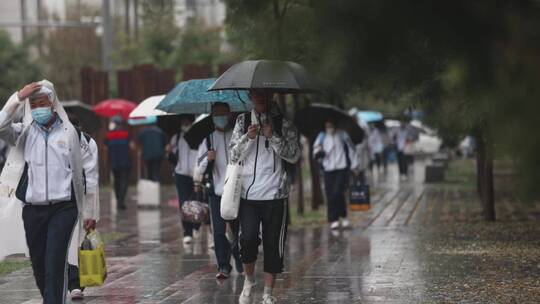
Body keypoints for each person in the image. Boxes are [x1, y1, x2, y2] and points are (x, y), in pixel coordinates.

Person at [0, 80, 96, 304]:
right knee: (40, 266)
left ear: (52, 104)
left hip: (64, 208)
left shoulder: (71, 135)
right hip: (33, 211)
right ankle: (51, 298)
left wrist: (91, 211)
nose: (38, 108)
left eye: (42, 103)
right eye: (33, 104)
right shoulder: (24, 134)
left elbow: (89, 175)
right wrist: (18, 97)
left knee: (55, 262)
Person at [230, 89, 301, 304]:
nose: (260, 98)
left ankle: (268, 293)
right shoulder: (242, 121)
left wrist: (273, 136)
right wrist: (248, 138)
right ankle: (249, 280)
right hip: (248, 196)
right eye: (255, 94)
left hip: (275, 195)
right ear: (250, 96)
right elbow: (233, 155)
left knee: (273, 244)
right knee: (247, 239)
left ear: (270, 97)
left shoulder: (284, 124)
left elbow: (294, 155)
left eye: (264, 94)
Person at [194, 102, 243, 279]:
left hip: (236, 192)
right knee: (219, 231)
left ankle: (239, 258)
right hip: (216, 192)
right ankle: (223, 266)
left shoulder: (237, 137)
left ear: (230, 115)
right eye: (217, 114)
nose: (220, 118)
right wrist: (208, 159)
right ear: (212, 117)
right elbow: (198, 169)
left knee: (238, 230)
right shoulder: (207, 140)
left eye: (223, 114)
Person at [66, 116, 100, 300]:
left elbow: (92, 176)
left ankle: (76, 283)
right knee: (67, 242)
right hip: (62, 200)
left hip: (83, 199)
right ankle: (73, 283)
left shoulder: (87, 142)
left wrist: (90, 213)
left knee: (78, 242)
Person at [313, 119, 358, 230]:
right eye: (327, 125)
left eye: (331, 124)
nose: (329, 127)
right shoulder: (322, 136)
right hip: (328, 169)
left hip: (341, 168)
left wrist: (354, 166)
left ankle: (343, 216)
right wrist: (319, 152)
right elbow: (315, 150)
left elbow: (352, 149)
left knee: (337, 192)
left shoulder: (342, 135)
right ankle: (334, 219)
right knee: (330, 194)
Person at [170, 116, 199, 244]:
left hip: (195, 175)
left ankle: (195, 225)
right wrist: (169, 152)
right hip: (180, 174)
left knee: (195, 202)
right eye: (183, 122)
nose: (185, 124)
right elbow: (172, 157)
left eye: (187, 122)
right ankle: (187, 232)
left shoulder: (199, 136)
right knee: (183, 203)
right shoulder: (176, 138)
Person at [105, 115, 132, 210]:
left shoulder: (109, 135)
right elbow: (130, 145)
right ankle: (121, 201)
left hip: (114, 162)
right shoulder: (126, 134)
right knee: (124, 181)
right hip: (125, 162)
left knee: (116, 182)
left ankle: (118, 199)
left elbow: (106, 145)